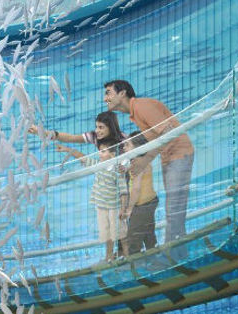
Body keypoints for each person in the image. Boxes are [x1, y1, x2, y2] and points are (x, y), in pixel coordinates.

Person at [104, 80, 194, 243]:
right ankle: (178, 252)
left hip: (179, 155)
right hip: (170, 158)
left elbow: (167, 132)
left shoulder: (142, 107)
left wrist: (145, 160)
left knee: (174, 209)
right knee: (174, 210)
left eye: (108, 93)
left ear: (122, 93)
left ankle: (172, 254)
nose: (105, 99)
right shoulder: (135, 113)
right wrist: (141, 161)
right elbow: (159, 140)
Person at [53, 112, 130, 261]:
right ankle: (109, 256)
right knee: (107, 233)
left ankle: (126, 255)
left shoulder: (122, 143)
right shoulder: (98, 162)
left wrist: (123, 207)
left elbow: (124, 189)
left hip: (114, 204)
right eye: (96, 127)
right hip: (102, 205)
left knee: (120, 230)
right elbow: (82, 155)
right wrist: (67, 149)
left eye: (101, 127)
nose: (97, 130)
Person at [121, 132, 160, 255]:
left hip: (141, 206)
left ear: (137, 148)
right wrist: (126, 169)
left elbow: (136, 189)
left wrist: (129, 209)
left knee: (134, 239)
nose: (123, 147)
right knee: (149, 235)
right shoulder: (142, 162)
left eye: (127, 145)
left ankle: (135, 267)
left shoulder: (137, 165)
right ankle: (155, 259)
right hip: (151, 202)